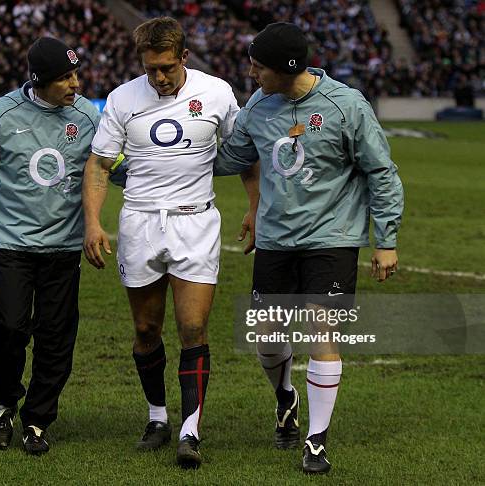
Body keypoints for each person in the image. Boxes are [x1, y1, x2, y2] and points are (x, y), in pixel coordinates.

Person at [214, 23, 404, 474]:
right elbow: (232, 157)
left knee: (322, 331)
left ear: (286, 69)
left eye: (259, 66)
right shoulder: (259, 105)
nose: (251, 72)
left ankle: (316, 440)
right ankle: (285, 397)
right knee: (267, 341)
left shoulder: (345, 105)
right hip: (276, 238)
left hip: (333, 238)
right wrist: (160, 159)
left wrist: (386, 241)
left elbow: (381, 172)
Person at [81, 17, 248, 469]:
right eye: (151, 68)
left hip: (195, 223)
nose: (159, 77)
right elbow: (98, 164)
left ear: (185, 58)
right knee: (146, 330)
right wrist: (93, 223)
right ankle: (158, 418)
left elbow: (244, 153)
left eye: (167, 68)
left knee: (192, 328)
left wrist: (254, 208)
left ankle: (190, 430)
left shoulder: (217, 93)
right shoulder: (121, 98)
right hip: (138, 222)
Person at [0, 37, 101, 455]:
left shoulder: (87, 117)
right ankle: (3, 405)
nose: (75, 83)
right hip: (11, 245)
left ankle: (37, 420)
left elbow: (106, 169)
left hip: (64, 249)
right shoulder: (1, 115)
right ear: (39, 80)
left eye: (75, 74)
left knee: (57, 337)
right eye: (65, 78)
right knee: (9, 329)